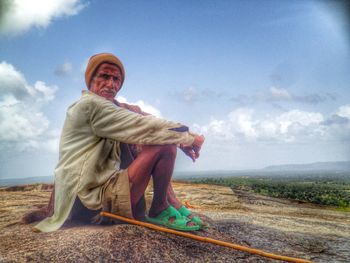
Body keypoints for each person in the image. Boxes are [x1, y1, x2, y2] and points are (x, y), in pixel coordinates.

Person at [33, 53, 205, 232]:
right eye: (104, 76)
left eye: (116, 79)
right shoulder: (90, 105)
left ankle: (169, 203)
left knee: (160, 139)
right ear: (91, 79)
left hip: (96, 195)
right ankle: (159, 208)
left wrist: (181, 140)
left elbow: (142, 119)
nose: (111, 84)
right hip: (90, 202)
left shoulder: (111, 108)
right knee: (164, 145)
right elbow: (143, 126)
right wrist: (191, 138)